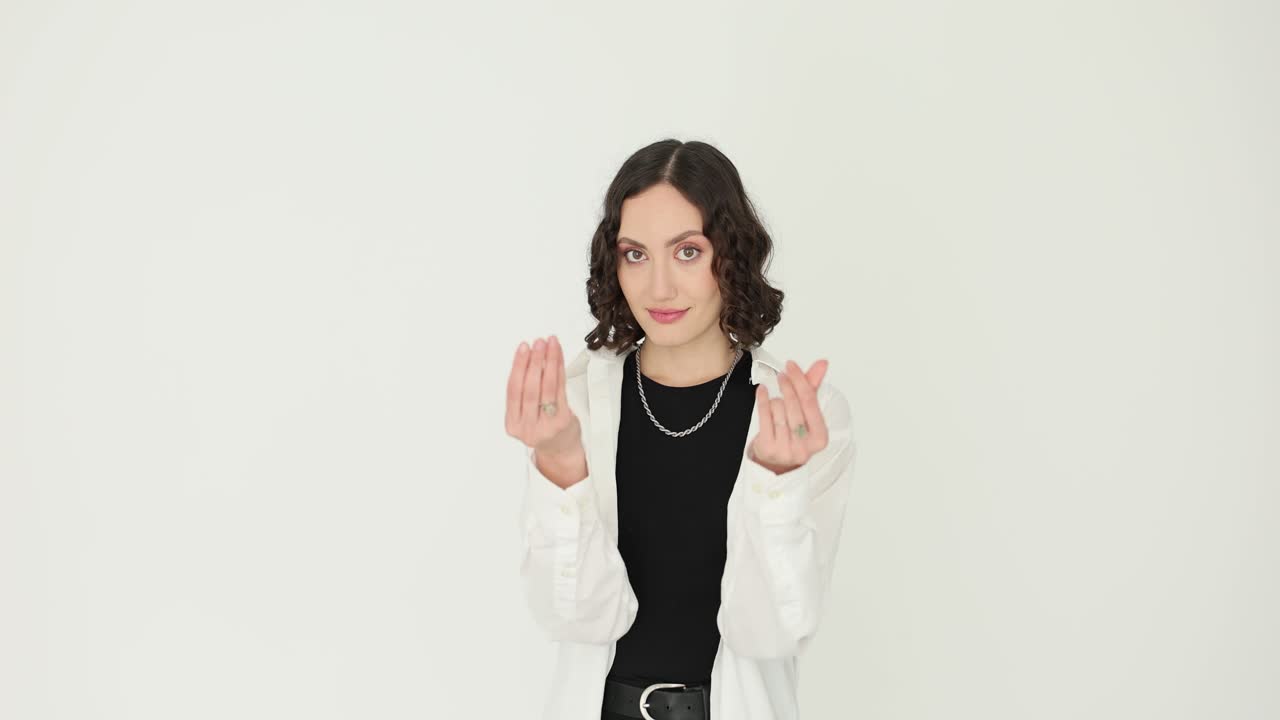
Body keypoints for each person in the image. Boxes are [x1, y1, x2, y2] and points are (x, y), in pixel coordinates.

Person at [504, 139, 858, 720]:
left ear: (732, 255)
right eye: (635, 255)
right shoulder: (574, 407)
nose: (659, 288)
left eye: (687, 252)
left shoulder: (800, 414)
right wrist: (562, 466)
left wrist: (775, 480)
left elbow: (770, 634)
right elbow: (571, 618)